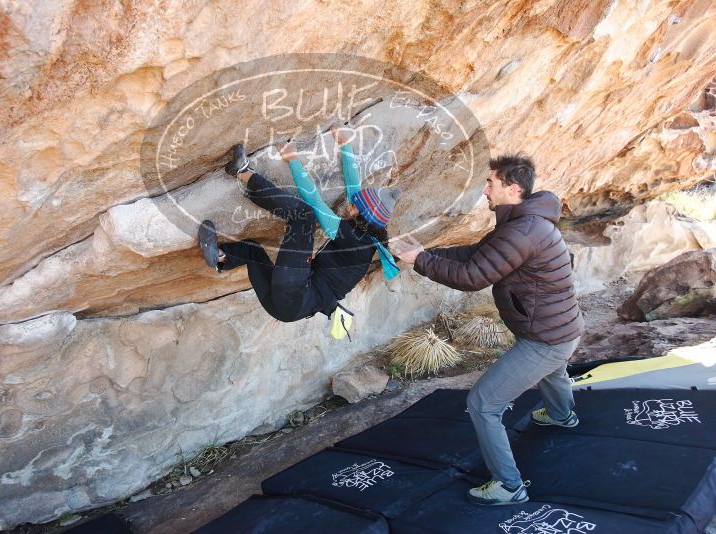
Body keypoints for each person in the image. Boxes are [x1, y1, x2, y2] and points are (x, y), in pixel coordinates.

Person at [390, 155, 584, 506]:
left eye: (491, 183)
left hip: (546, 338)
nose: (485, 190)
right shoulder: (526, 222)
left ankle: (509, 487)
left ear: (513, 188)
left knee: (482, 403)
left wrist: (420, 262)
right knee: (553, 373)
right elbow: (478, 253)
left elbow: (472, 277)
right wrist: (426, 253)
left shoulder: (522, 231)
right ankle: (561, 415)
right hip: (563, 329)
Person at [198, 125, 401, 326]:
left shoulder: (352, 239)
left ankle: (242, 172)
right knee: (253, 252)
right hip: (285, 309)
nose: (350, 205)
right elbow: (354, 188)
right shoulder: (366, 236)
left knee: (305, 215)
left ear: (363, 214)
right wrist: (345, 144)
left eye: (355, 206)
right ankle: (219, 257)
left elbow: (314, 202)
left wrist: (293, 160)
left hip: (295, 292)